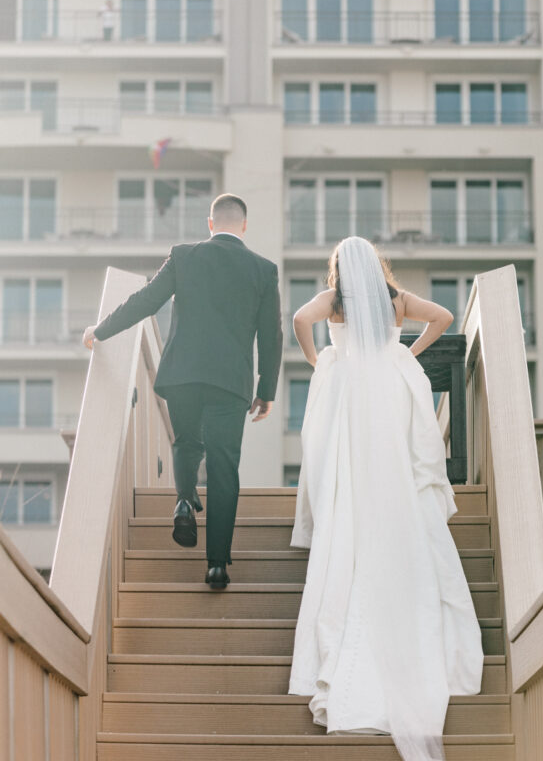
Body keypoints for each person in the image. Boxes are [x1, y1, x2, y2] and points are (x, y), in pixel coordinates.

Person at [288, 236, 484, 761]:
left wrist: (320, 360)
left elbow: (298, 320)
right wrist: (406, 352)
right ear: (377, 265)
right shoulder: (396, 297)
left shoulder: (335, 300)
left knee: (347, 468)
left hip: (350, 392)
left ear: (338, 268)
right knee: (394, 461)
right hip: (390, 390)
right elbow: (443, 315)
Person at [82, 193, 283, 590]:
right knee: (225, 468)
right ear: (243, 226)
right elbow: (271, 335)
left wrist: (99, 330)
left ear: (211, 224)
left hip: (183, 374)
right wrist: (267, 389)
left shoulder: (184, 256)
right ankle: (217, 565)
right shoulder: (263, 270)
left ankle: (184, 501)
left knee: (187, 443)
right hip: (231, 383)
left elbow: (146, 301)